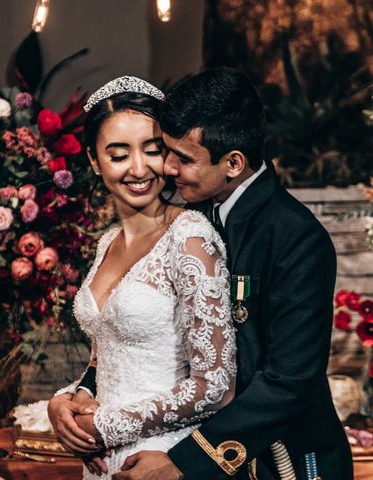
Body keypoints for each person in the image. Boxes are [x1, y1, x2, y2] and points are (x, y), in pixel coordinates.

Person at [83, 68, 352, 480]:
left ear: (233, 163)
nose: (167, 169)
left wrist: (183, 461)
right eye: (166, 151)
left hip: (284, 462)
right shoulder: (192, 211)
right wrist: (83, 393)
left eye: (184, 159)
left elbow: (288, 383)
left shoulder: (295, 237)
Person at [47, 76, 236, 479]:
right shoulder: (107, 243)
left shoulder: (190, 238)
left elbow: (216, 385)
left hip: (163, 458)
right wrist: (69, 399)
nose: (139, 168)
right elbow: (108, 357)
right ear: (95, 161)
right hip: (100, 461)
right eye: (118, 155)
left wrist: (107, 425)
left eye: (153, 151)